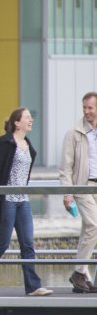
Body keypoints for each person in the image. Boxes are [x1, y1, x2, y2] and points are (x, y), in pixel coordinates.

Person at [0, 108, 52, 296]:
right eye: (27, 117)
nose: (31, 120)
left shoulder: (27, 143)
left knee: (28, 243)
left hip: (22, 200)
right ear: (17, 123)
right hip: (7, 199)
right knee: (2, 243)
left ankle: (33, 286)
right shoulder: (6, 143)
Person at [60, 91, 97, 293]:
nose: (87, 111)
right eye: (84, 107)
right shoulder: (73, 133)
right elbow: (65, 166)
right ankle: (78, 272)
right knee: (94, 225)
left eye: (90, 107)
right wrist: (68, 192)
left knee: (87, 230)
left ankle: (83, 278)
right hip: (83, 185)